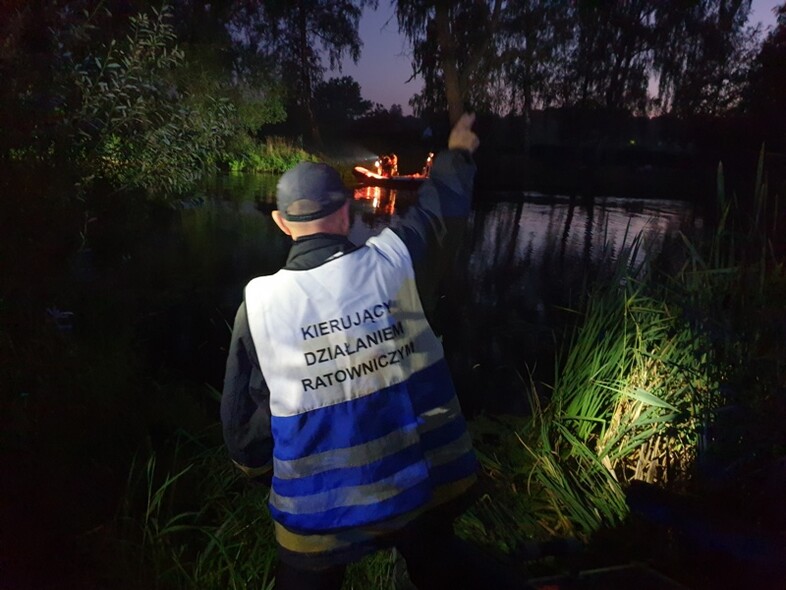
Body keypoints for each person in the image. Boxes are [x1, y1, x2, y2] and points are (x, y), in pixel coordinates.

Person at [221, 113, 486, 589]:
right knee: (436, 553)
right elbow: (438, 210)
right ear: (346, 213)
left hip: (318, 516)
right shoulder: (395, 260)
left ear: (282, 223)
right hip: (424, 487)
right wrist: (458, 151)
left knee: (309, 567)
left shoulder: (258, 305)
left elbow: (244, 433)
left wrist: (269, 469)